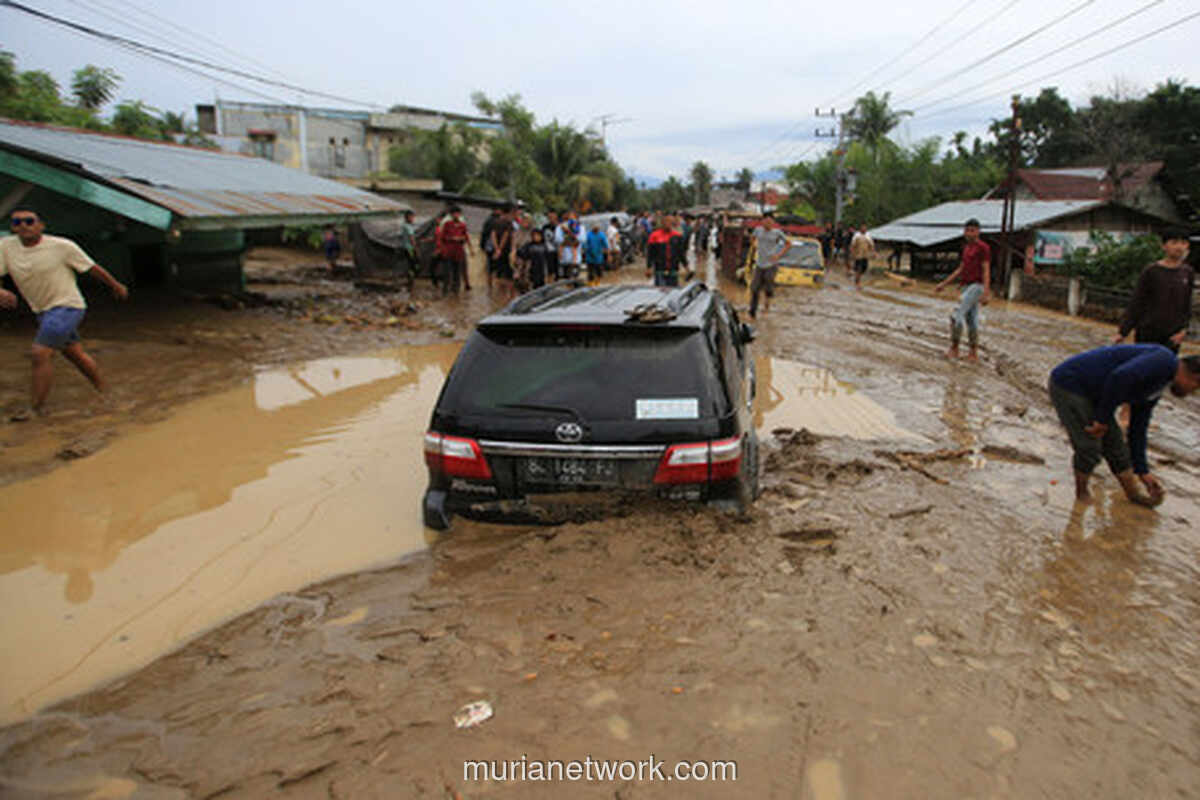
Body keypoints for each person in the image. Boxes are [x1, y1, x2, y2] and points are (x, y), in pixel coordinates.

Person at [0, 207, 129, 417]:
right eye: (17, 222)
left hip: (67, 306)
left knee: (40, 353)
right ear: (13, 228)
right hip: (43, 311)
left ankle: (35, 409)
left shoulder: (62, 246)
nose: (23, 226)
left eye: (29, 221)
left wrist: (115, 285)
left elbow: (91, 267)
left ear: (41, 225)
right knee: (75, 355)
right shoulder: (6, 246)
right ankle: (107, 392)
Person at [1048, 344, 1200, 506]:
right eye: (1196, 387)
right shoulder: (1163, 361)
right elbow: (1120, 377)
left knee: (1117, 448)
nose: (1191, 392)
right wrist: (1102, 419)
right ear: (1195, 377)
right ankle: (1081, 493)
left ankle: (1133, 494)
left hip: (1095, 395)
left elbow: (1138, 427)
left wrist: (1142, 471)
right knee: (1089, 446)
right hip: (1070, 385)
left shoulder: (1161, 382)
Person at [1113, 228, 1194, 353]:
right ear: (1164, 246)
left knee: (1167, 365)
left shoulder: (1187, 273)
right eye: (1174, 242)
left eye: (1183, 243)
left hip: (1172, 337)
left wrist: (1183, 331)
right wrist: (1123, 332)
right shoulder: (1151, 271)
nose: (1179, 247)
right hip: (1148, 333)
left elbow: (1186, 305)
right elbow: (1137, 302)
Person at [934, 218, 991, 361]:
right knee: (971, 320)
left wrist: (986, 292)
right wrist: (944, 284)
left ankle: (954, 349)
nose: (969, 233)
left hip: (976, 286)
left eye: (972, 230)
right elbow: (961, 269)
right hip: (966, 286)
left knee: (956, 316)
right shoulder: (966, 248)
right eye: (967, 230)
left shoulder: (983, 248)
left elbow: (986, 269)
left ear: (978, 232)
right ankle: (973, 353)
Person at [749, 212, 792, 319]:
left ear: (773, 222)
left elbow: (788, 244)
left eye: (770, 221)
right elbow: (752, 238)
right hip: (759, 264)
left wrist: (778, 255)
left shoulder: (777, 233)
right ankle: (752, 311)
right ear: (762, 221)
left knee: (768, 284)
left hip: (771, 264)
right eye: (766, 221)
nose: (768, 223)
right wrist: (755, 246)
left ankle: (767, 303)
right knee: (754, 288)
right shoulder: (758, 230)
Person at [436, 205, 472, 296]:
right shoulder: (447, 224)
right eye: (454, 214)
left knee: (457, 272)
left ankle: (456, 292)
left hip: (458, 252)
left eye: (458, 213)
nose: (456, 215)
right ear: (451, 215)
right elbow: (442, 237)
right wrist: (451, 239)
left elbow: (466, 237)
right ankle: (445, 291)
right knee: (447, 272)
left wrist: (470, 247)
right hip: (448, 251)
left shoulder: (462, 225)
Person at [395, 209, 418, 291]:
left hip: (405, 247)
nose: (413, 218)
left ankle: (409, 281)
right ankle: (411, 282)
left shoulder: (404, 226)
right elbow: (412, 239)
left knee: (409, 264)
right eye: (412, 217)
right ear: (408, 217)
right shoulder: (408, 227)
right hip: (409, 248)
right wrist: (416, 248)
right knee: (413, 264)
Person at [849, 224, 875, 290]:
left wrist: (873, 253)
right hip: (858, 255)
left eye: (865, 228)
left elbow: (871, 245)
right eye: (862, 228)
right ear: (860, 229)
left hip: (865, 255)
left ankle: (856, 278)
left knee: (864, 269)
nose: (864, 229)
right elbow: (852, 245)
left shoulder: (868, 236)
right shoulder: (856, 236)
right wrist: (852, 253)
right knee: (859, 269)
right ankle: (858, 283)